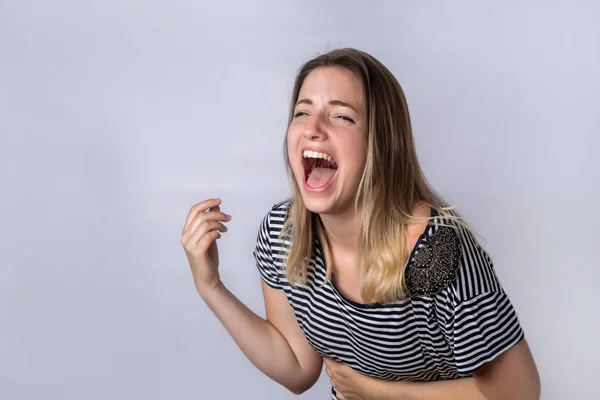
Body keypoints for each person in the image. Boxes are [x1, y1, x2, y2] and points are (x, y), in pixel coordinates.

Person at [181, 48, 540, 399]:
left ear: (380, 143)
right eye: (302, 112)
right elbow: (297, 370)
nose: (313, 129)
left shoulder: (436, 251)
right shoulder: (282, 234)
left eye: (341, 116)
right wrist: (211, 286)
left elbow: (518, 391)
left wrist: (376, 392)